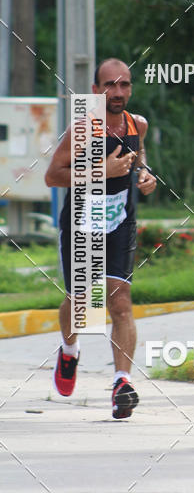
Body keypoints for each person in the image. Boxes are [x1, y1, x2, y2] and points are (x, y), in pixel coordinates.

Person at [44, 58, 157, 418]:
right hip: (81, 222)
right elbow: (53, 176)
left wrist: (145, 176)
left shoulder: (137, 124)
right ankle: (69, 350)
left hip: (119, 221)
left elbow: (139, 159)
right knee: (82, 303)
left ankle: (122, 382)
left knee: (119, 300)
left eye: (124, 85)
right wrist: (99, 170)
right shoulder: (82, 130)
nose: (117, 92)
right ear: (96, 91)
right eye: (110, 85)